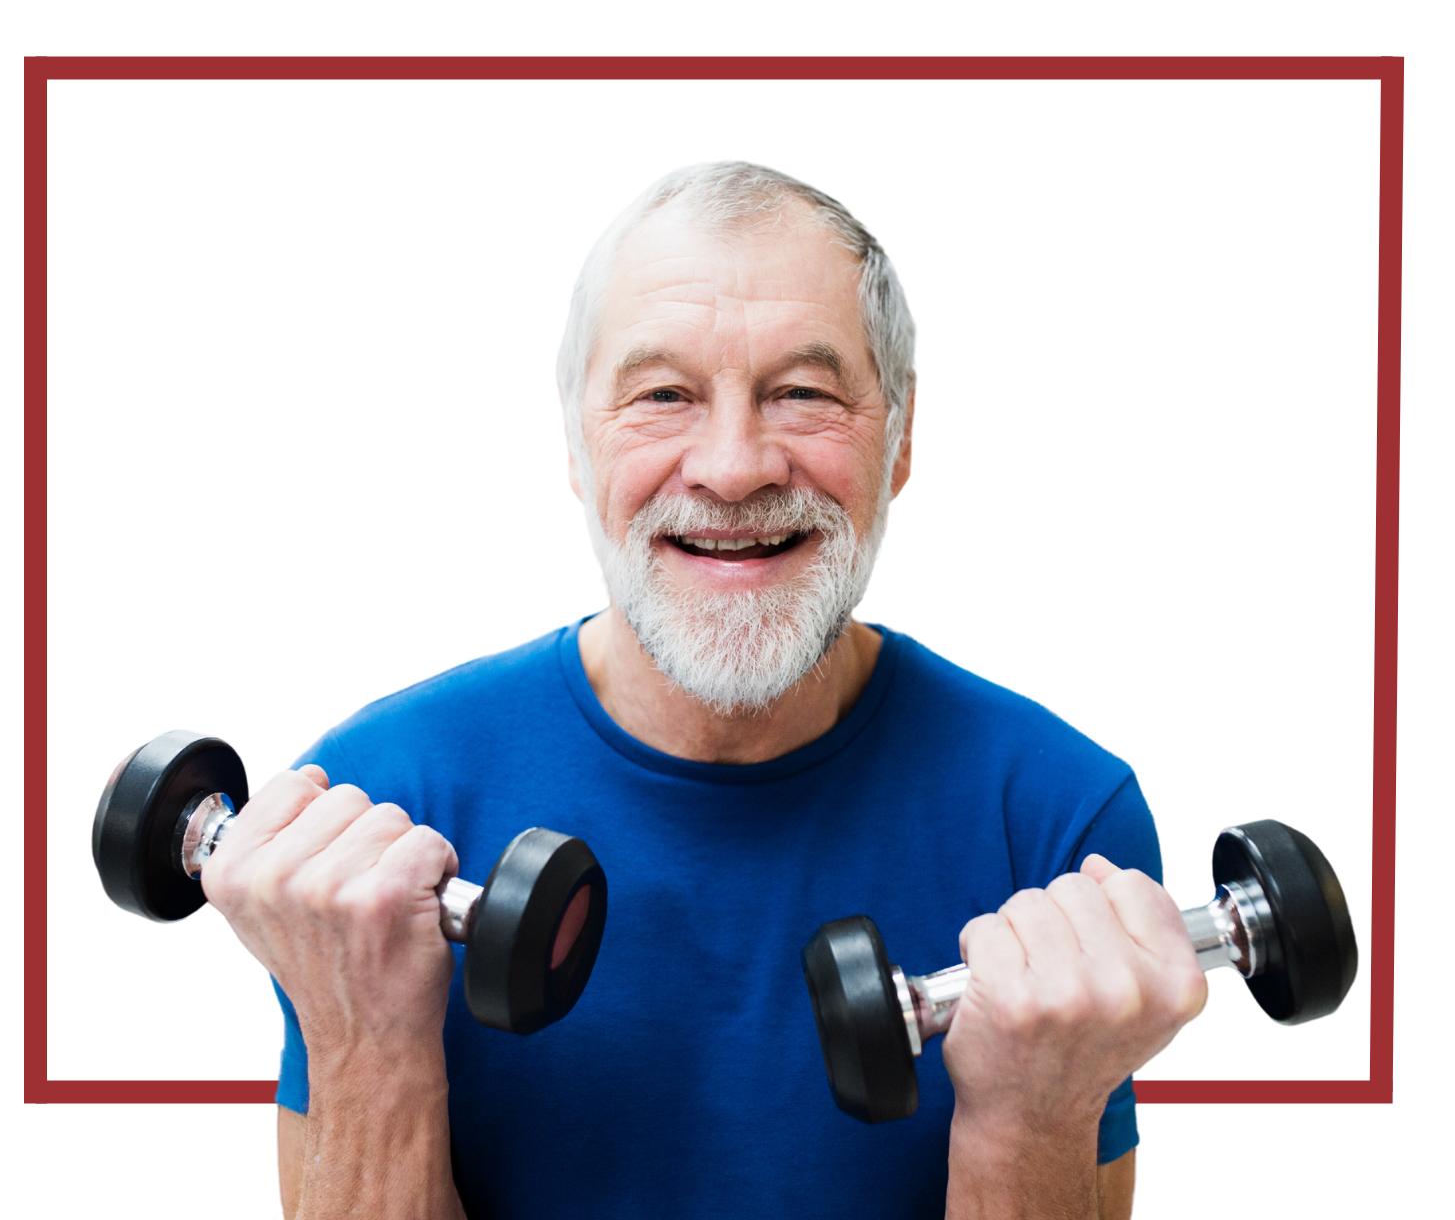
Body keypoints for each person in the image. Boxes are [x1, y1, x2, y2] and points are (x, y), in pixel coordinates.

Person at [202, 162, 1208, 1220]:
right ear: (579, 447)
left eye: (804, 393)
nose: (732, 467)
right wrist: (365, 1040)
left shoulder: (1055, 818)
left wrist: (1030, 1117)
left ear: (901, 437)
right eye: (664, 395)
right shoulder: (371, 814)